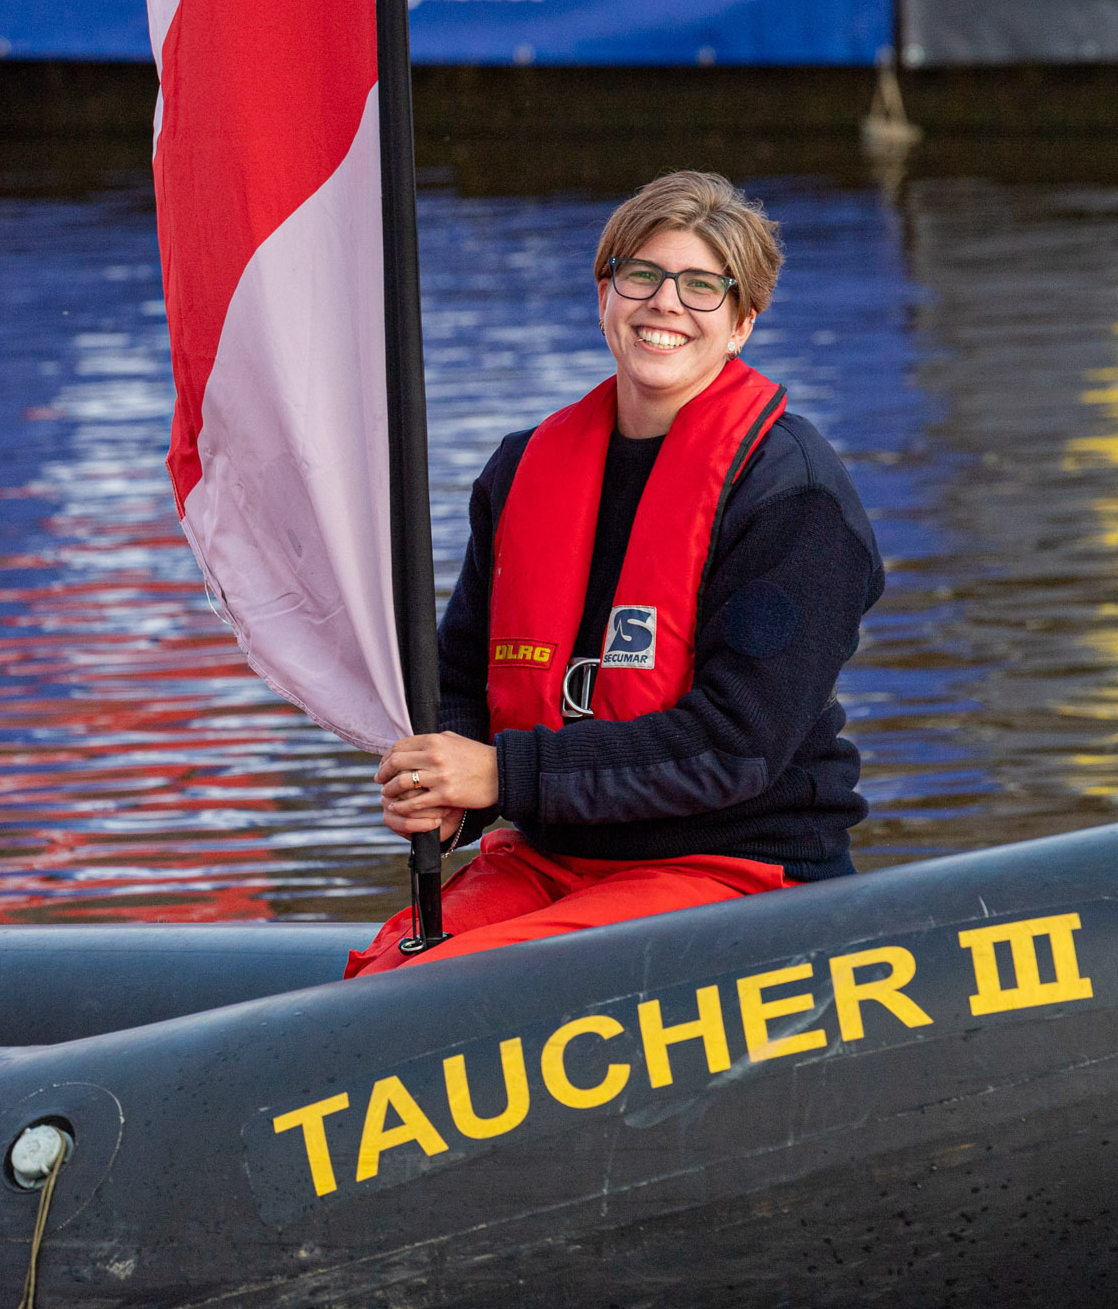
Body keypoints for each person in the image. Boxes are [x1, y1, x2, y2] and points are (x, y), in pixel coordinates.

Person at [349, 171, 884, 974]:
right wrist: (447, 793)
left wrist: (501, 772)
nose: (666, 303)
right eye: (643, 275)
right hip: (552, 856)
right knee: (385, 972)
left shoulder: (793, 493)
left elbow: (738, 744)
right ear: (605, 296)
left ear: (741, 323)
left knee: (441, 990)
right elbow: (460, 675)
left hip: (735, 869)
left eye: (702, 287)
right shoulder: (522, 468)